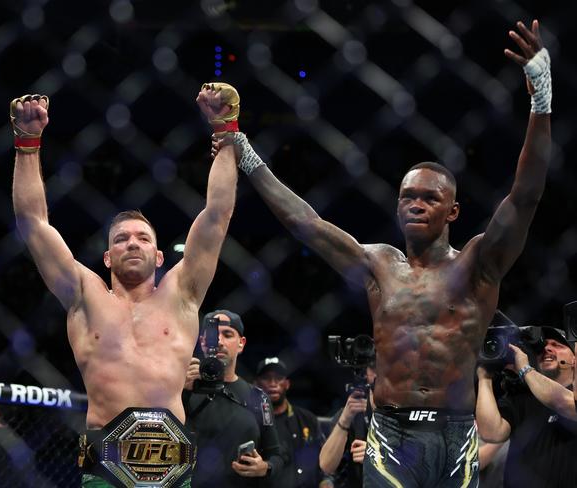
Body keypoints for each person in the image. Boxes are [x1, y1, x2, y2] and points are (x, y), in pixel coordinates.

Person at [212, 19, 552, 487]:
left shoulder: (477, 265)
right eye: (408, 196)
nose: (416, 203)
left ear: (452, 211)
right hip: (391, 432)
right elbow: (305, 223)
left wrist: (541, 95)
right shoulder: (377, 264)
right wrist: (243, 147)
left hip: (457, 433)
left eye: (429, 198)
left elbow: (526, 196)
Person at [11, 83, 239, 487]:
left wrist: (225, 130)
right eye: (121, 238)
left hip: (171, 463)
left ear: (158, 257)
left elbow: (217, 215)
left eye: (142, 238)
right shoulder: (84, 295)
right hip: (104, 464)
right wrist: (27, 143)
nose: (131, 242)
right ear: (107, 257)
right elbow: (34, 225)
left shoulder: (182, 293)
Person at [183, 310, 285, 487]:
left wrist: (265, 467)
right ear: (202, 342)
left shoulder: (258, 398)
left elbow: (277, 455)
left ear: (241, 343)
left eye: (228, 334)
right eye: (214, 335)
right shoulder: (180, 389)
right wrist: (180, 391)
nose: (220, 342)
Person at [476, 327, 577, 487]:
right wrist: (485, 378)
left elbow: (562, 402)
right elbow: (491, 433)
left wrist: (525, 368)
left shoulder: (572, 399)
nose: (547, 349)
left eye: (557, 345)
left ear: (574, 358)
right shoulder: (522, 397)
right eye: (542, 348)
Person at [254, 356, 330, 488]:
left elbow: (324, 463)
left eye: (278, 378)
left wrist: (326, 482)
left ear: (287, 384)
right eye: (266, 378)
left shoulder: (307, 419)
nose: (273, 383)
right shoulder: (250, 421)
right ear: (256, 384)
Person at [319, 364, 376, 487]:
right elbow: (326, 465)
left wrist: (377, 454)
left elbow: (421, 461)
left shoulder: (406, 408)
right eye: (374, 367)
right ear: (366, 372)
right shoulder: (352, 410)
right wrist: (345, 418)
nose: (379, 373)